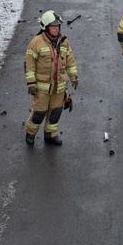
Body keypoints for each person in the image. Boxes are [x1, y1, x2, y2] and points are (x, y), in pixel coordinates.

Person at [24, 10, 78, 147]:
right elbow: (29, 64)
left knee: (55, 113)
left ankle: (50, 135)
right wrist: (31, 83)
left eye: (58, 26)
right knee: (38, 114)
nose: (56, 29)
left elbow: (70, 61)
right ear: (45, 27)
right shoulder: (36, 43)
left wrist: (73, 77)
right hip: (42, 88)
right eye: (53, 26)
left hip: (59, 87)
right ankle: (30, 133)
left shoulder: (64, 42)